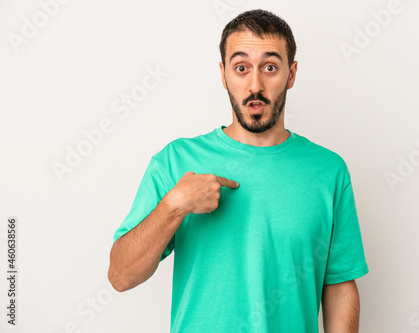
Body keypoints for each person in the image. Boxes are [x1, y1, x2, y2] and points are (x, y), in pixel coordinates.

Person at [108, 8, 369, 333]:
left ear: (291, 74)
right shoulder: (176, 160)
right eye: (241, 68)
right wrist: (174, 206)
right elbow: (121, 276)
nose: (255, 84)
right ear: (223, 74)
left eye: (270, 67)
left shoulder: (328, 171)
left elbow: (340, 285)